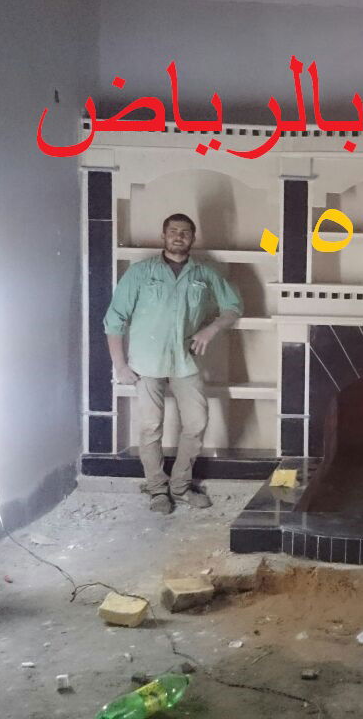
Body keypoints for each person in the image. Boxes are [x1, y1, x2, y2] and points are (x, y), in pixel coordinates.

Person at [103, 213, 242, 513]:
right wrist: (120, 366)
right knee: (151, 426)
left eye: (185, 232)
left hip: (184, 360)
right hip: (145, 362)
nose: (179, 236)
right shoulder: (141, 272)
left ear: (193, 238)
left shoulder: (204, 274)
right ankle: (157, 490)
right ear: (163, 235)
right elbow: (114, 320)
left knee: (196, 422)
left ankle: (180, 487)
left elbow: (233, 307)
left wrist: (211, 329)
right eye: (173, 231)